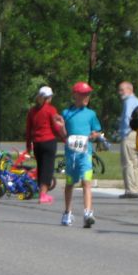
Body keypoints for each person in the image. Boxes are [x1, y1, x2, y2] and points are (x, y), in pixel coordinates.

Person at [60, 82, 103, 228]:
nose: (86, 97)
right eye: (83, 94)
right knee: (70, 183)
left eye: (88, 94)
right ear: (75, 95)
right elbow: (63, 133)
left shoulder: (91, 114)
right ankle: (67, 212)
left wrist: (94, 135)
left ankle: (88, 212)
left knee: (86, 181)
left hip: (85, 154)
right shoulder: (66, 113)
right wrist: (60, 127)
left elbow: (97, 130)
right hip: (71, 155)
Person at [25, 85, 64, 204]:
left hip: (37, 143)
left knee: (41, 167)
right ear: (49, 97)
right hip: (49, 141)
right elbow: (55, 126)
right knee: (48, 168)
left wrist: (28, 145)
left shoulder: (32, 111)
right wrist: (63, 137)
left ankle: (41, 191)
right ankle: (43, 194)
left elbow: (28, 129)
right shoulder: (51, 110)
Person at [117, 81, 138, 198]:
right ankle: (136, 187)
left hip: (129, 134)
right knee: (136, 163)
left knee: (128, 163)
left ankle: (131, 190)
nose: (120, 92)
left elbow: (127, 118)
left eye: (122, 90)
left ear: (129, 89)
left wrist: (124, 133)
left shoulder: (128, 102)